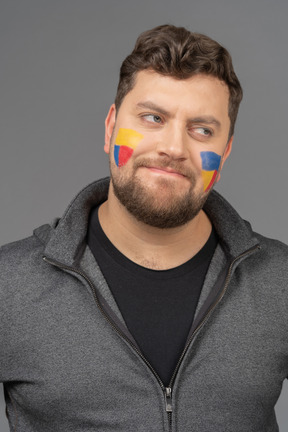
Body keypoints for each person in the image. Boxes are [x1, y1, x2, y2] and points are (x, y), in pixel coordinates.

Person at [1, 24, 288, 432]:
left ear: (224, 154)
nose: (173, 147)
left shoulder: (281, 281)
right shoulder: (8, 286)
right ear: (110, 128)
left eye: (201, 130)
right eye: (153, 118)